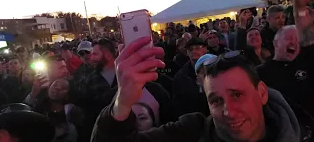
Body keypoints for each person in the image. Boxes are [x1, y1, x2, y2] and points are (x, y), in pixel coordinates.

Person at [91, 37, 310, 142]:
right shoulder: (193, 132)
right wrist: (122, 103)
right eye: (216, 100)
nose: (229, 111)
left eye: (237, 95)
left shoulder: (305, 128)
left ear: (261, 93)